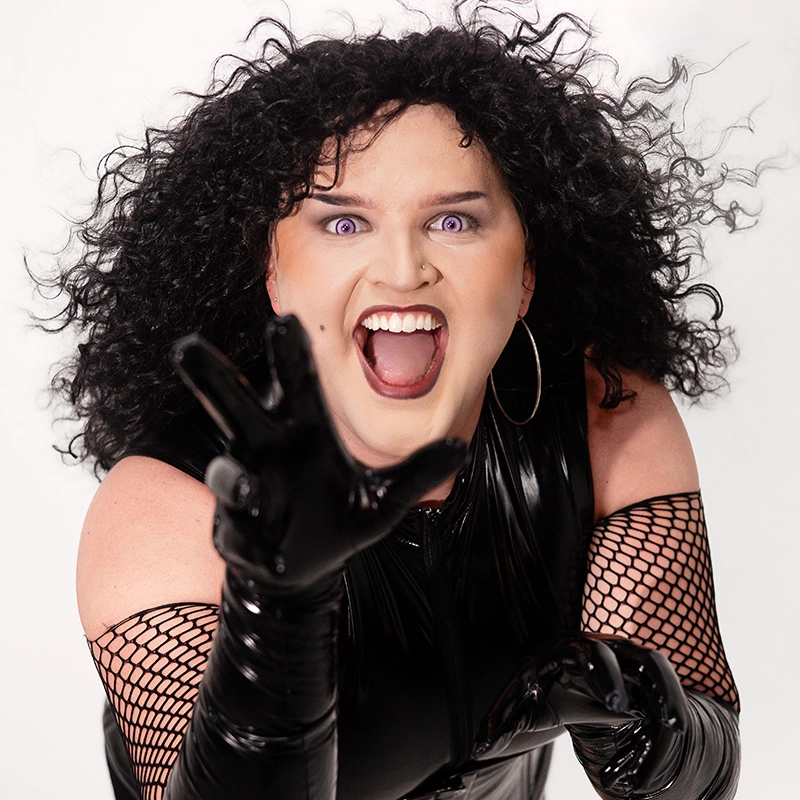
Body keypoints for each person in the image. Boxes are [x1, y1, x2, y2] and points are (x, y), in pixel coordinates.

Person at [45, 3, 743, 798]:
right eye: (344, 224)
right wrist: (281, 600)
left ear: (527, 275)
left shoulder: (603, 417)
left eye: (453, 220)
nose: (403, 269)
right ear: (272, 273)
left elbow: (700, 777)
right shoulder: (169, 500)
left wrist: (640, 714)